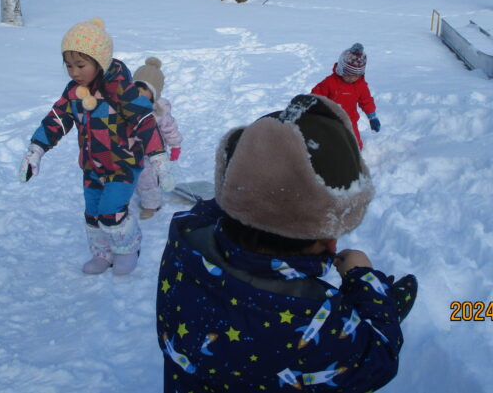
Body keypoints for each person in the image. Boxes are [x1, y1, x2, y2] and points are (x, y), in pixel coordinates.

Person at [156, 94, 416, 393]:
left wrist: (258, 175)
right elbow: (378, 358)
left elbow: (219, 206)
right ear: (328, 239)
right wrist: (367, 286)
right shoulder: (315, 319)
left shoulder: (185, 242)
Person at [18, 17, 153, 276]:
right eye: (68, 65)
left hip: (123, 165)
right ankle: (102, 253)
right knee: (92, 214)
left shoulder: (121, 91)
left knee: (111, 211)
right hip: (92, 166)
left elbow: (145, 120)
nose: (73, 72)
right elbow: (57, 119)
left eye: (80, 65)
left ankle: (128, 249)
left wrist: (158, 156)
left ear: (99, 62)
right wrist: (37, 149)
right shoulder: (74, 92)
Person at [132, 57, 183, 220]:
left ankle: (151, 205)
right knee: (133, 177)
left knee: (147, 180)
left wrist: (175, 145)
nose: (140, 93)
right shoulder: (127, 106)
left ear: (154, 92)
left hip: (153, 153)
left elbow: (169, 128)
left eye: (145, 89)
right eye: (136, 88)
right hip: (131, 150)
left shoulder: (160, 110)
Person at [311, 43, 380, 149]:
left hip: (350, 120)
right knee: (328, 142)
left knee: (354, 143)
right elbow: (317, 95)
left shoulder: (361, 85)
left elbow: (366, 101)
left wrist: (372, 117)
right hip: (330, 118)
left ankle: (354, 154)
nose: (351, 78)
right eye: (348, 74)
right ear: (341, 69)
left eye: (355, 76)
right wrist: (313, 108)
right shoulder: (330, 82)